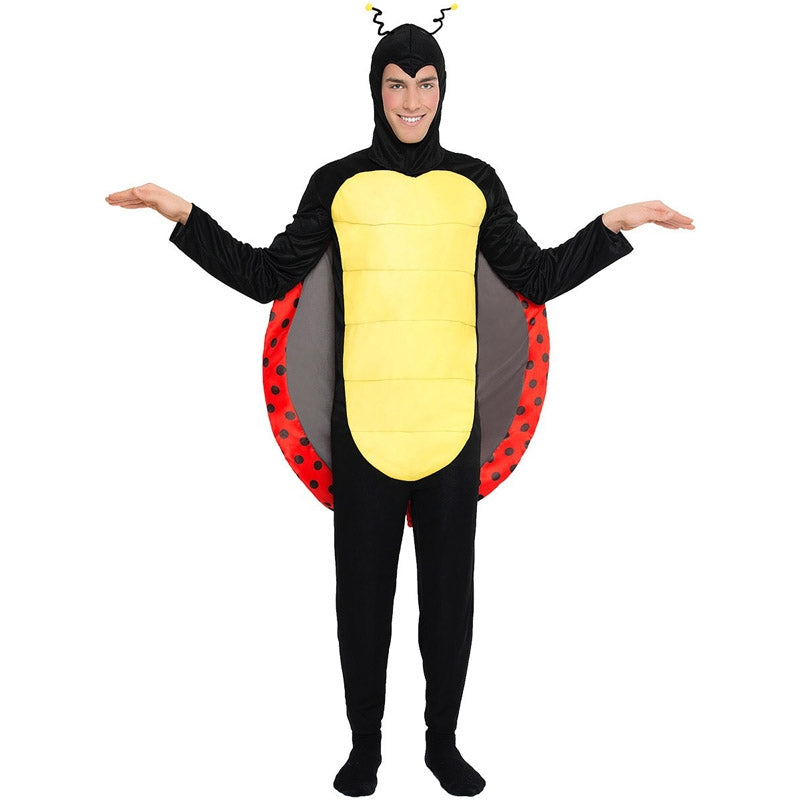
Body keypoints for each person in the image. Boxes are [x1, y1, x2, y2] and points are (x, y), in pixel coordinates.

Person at [106, 18, 693, 798]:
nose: (411, 101)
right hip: (365, 427)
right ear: (375, 91)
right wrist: (181, 213)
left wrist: (615, 224)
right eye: (396, 85)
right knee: (362, 600)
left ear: (443, 91)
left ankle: (442, 745)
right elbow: (266, 275)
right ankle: (364, 748)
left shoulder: (475, 182)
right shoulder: (337, 181)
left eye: (425, 84)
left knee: (449, 601)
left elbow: (536, 276)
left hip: (450, 425)